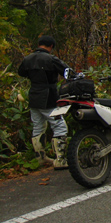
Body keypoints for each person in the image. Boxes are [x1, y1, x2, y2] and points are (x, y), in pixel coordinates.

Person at [18, 35, 70, 170]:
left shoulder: (27, 59)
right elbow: (68, 72)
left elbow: (21, 72)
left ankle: (40, 157)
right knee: (59, 125)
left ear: (39, 44)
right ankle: (61, 159)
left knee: (38, 126)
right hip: (49, 96)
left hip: (34, 96)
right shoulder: (51, 59)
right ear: (51, 46)